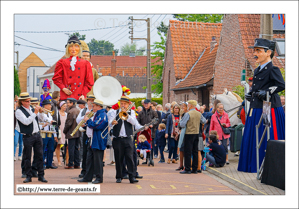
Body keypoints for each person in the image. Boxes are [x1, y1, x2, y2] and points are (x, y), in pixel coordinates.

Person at [238, 38, 285, 173]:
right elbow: (258, 87)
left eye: (258, 51)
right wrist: (251, 94)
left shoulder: (273, 69)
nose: (255, 54)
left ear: (268, 52)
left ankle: (267, 166)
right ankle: (253, 165)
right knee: (253, 134)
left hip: (268, 108)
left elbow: (281, 85)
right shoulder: (258, 69)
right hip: (256, 106)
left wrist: (267, 91)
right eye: (255, 51)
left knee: (266, 134)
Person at [109, 96, 144, 183]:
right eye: (122, 103)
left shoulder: (131, 112)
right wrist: (112, 122)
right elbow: (109, 123)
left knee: (130, 158)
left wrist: (127, 115)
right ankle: (119, 176)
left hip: (128, 138)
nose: (123, 105)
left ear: (128, 104)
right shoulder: (114, 112)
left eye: (125, 104)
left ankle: (132, 177)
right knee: (118, 158)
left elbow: (134, 123)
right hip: (117, 138)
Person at [15, 92, 48, 183]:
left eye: (29, 100)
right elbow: (26, 121)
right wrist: (35, 112)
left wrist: (40, 113)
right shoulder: (18, 111)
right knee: (27, 157)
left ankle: (41, 176)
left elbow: (40, 119)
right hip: (28, 136)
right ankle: (28, 176)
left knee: (40, 156)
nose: (29, 102)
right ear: (22, 102)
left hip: (37, 135)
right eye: (27, 101)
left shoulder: (32, 108)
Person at [52, 35, 94, 101]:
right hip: (66, 98)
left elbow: (89, 82)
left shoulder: (86, 64)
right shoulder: (62, 63)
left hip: (79, 98)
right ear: (67, 48)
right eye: (71, 46)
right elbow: (56, 78)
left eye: (76, 46)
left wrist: (83, 94)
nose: (73, 49)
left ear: (79, 48)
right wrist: (63, 88)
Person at [78, 99, 108, 184]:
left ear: (99, 106)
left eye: (94, 106)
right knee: (89, 160)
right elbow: (93, 124)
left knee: (98, 161)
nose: (92, 107)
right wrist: (86, 124)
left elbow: (96, 125)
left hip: (98, 141)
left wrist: (88, 120)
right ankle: (88, 177)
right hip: (92, 139)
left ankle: (99, 178)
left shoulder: (102, 115)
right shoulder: (96, 114)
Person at [179, 100, 201, 174]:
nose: (187, 105)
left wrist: (180, 121)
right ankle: (194, 169)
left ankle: (187, 168)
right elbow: (204, 121)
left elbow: (182, 124)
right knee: (195, 151)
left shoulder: (188, 114)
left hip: (189, 133)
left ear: (191, 105)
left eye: (188, 104)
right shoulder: (199, 113)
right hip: (197, 133)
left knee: (187, 151)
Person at [76, 95, 95, 177]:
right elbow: (77, 120)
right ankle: (84, 170)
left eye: (92, 100)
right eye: (89, 100)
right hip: (85, 133)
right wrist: (84, 117)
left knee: (93, 153)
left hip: (94, 134)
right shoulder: (84, 110)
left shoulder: (96, 111)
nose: (90, 102)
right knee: (84, 152)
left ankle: (93, 171)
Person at [137, 99, 159, 164]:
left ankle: (149, 158)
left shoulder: (153, 112)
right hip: (142, 132)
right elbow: (137, 121)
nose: (146, 105)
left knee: (150, 145)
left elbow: (157, 120)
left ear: (150, 104)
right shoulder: (141, 112)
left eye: (147, 104)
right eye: (145, 104)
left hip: (151, 131)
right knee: (141, 145)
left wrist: (152, 125)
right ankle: (143, 158)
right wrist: (140, 127)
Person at [63, 98, 80, 169]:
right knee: (76, 148)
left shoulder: (70, 111)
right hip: (78, 132)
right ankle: (77, 163)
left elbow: (68, 123)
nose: (67, 104)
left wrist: (64, 131)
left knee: (71, 148)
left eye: (68, 103)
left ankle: (70, 163)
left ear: (72, 103)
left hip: (71, 132)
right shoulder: (78, 110)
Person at [41, 99, 58, 169]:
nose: (50, 106)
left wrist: (55, 135)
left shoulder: (49, 113)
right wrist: (51, 121)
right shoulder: (41, 112)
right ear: (45, 106)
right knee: (43, 148)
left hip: (50, 132)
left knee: (51, 149)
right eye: (49, 105)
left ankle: (49, 163)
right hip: (44, 133)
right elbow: (45, 119)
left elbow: (52, 124)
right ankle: (42, 164)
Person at [50, 91, 62, 166]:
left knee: (54, 144)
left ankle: (50, 160)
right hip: (53, 126)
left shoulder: (55, 104)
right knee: (53, 144)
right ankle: (49, 160)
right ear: (57, 97)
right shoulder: (52, 104)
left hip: (56, 125)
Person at [176, 102, 188, 171]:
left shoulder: (187, 114)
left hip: (186, 133)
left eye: (184, 106)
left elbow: (183, 124)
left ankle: (185, 165)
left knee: (184, 149)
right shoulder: (183, 114)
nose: (182, 108)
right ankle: (181, 165)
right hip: (182, 133)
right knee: (181, 149)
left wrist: (180, 124)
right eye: (182, 106)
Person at [58, 101, 68, 165]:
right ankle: (59, 161)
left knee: (67, 146)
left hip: (65, 130)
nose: (65, 107)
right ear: (61, 106)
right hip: (59, 130)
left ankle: (66, 160)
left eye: (66, 106)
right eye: (64, 106)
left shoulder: (66, 114)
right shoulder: (57, 113)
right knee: (58, 145)